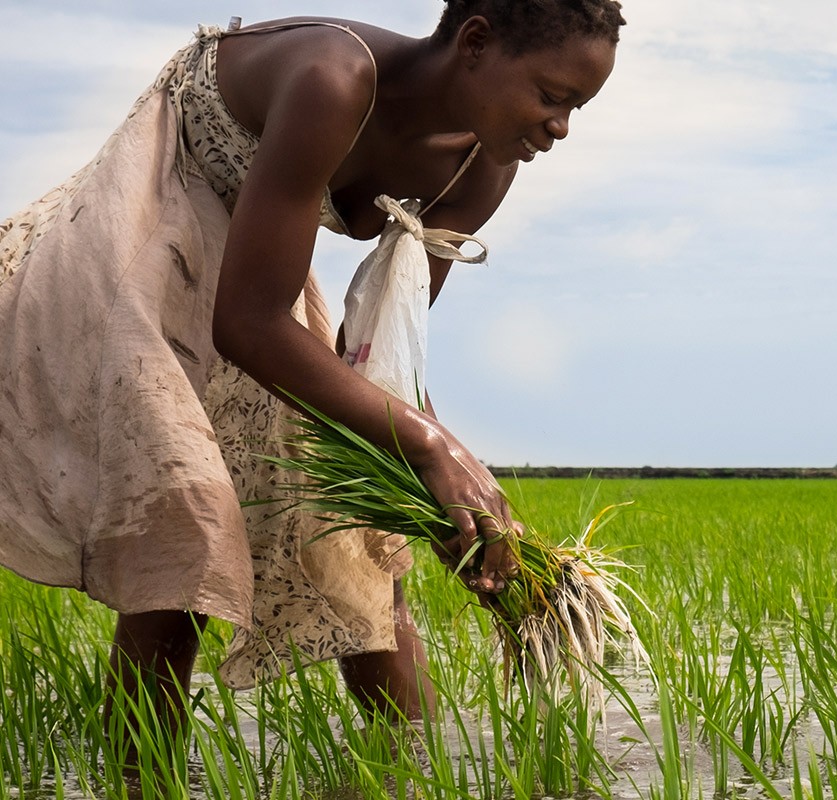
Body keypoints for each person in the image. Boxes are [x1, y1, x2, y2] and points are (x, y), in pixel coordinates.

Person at [0, 0, 624, 766]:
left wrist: (443, 507)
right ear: (475, 43)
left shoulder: (483, 164)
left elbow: (380, 358)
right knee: (190, 514)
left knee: (356, 548)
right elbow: (249, 323)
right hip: (148, 227)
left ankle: (412, 776)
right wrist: (431, 446)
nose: (561, 127)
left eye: (577, 109)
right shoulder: (332, 76)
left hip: (259, 269)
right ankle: (141, 777)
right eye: (553, 96)